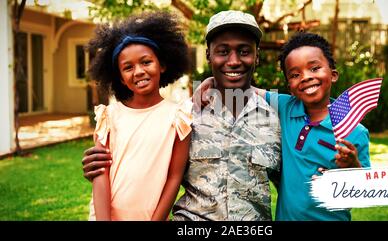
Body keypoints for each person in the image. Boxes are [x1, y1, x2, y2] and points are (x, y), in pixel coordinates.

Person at [81, 10, 281, 221]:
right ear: (208, 55)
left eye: (244, 51)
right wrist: (95, 166)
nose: (233, 61)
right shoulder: (187, 114)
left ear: (257, 55)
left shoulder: (278, 113)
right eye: (222, 51)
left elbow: (294, 183)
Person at [84, 11, 192, 221]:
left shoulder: (179, 117)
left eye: (146, 62)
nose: (139, 71)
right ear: (121, 79)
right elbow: (100, 174)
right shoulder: (108, 116)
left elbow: (174, 177)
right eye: (128, 67)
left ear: (162, 65)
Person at [258, 32, 371, 220]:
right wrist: (210, 83)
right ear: (289, 86)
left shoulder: (355, 131)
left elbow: (363, 194)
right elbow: (245, 92)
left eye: (314, 68)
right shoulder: (286, 107)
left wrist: (353, 166)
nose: (305, 77)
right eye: (295, 74)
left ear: (333, 75)